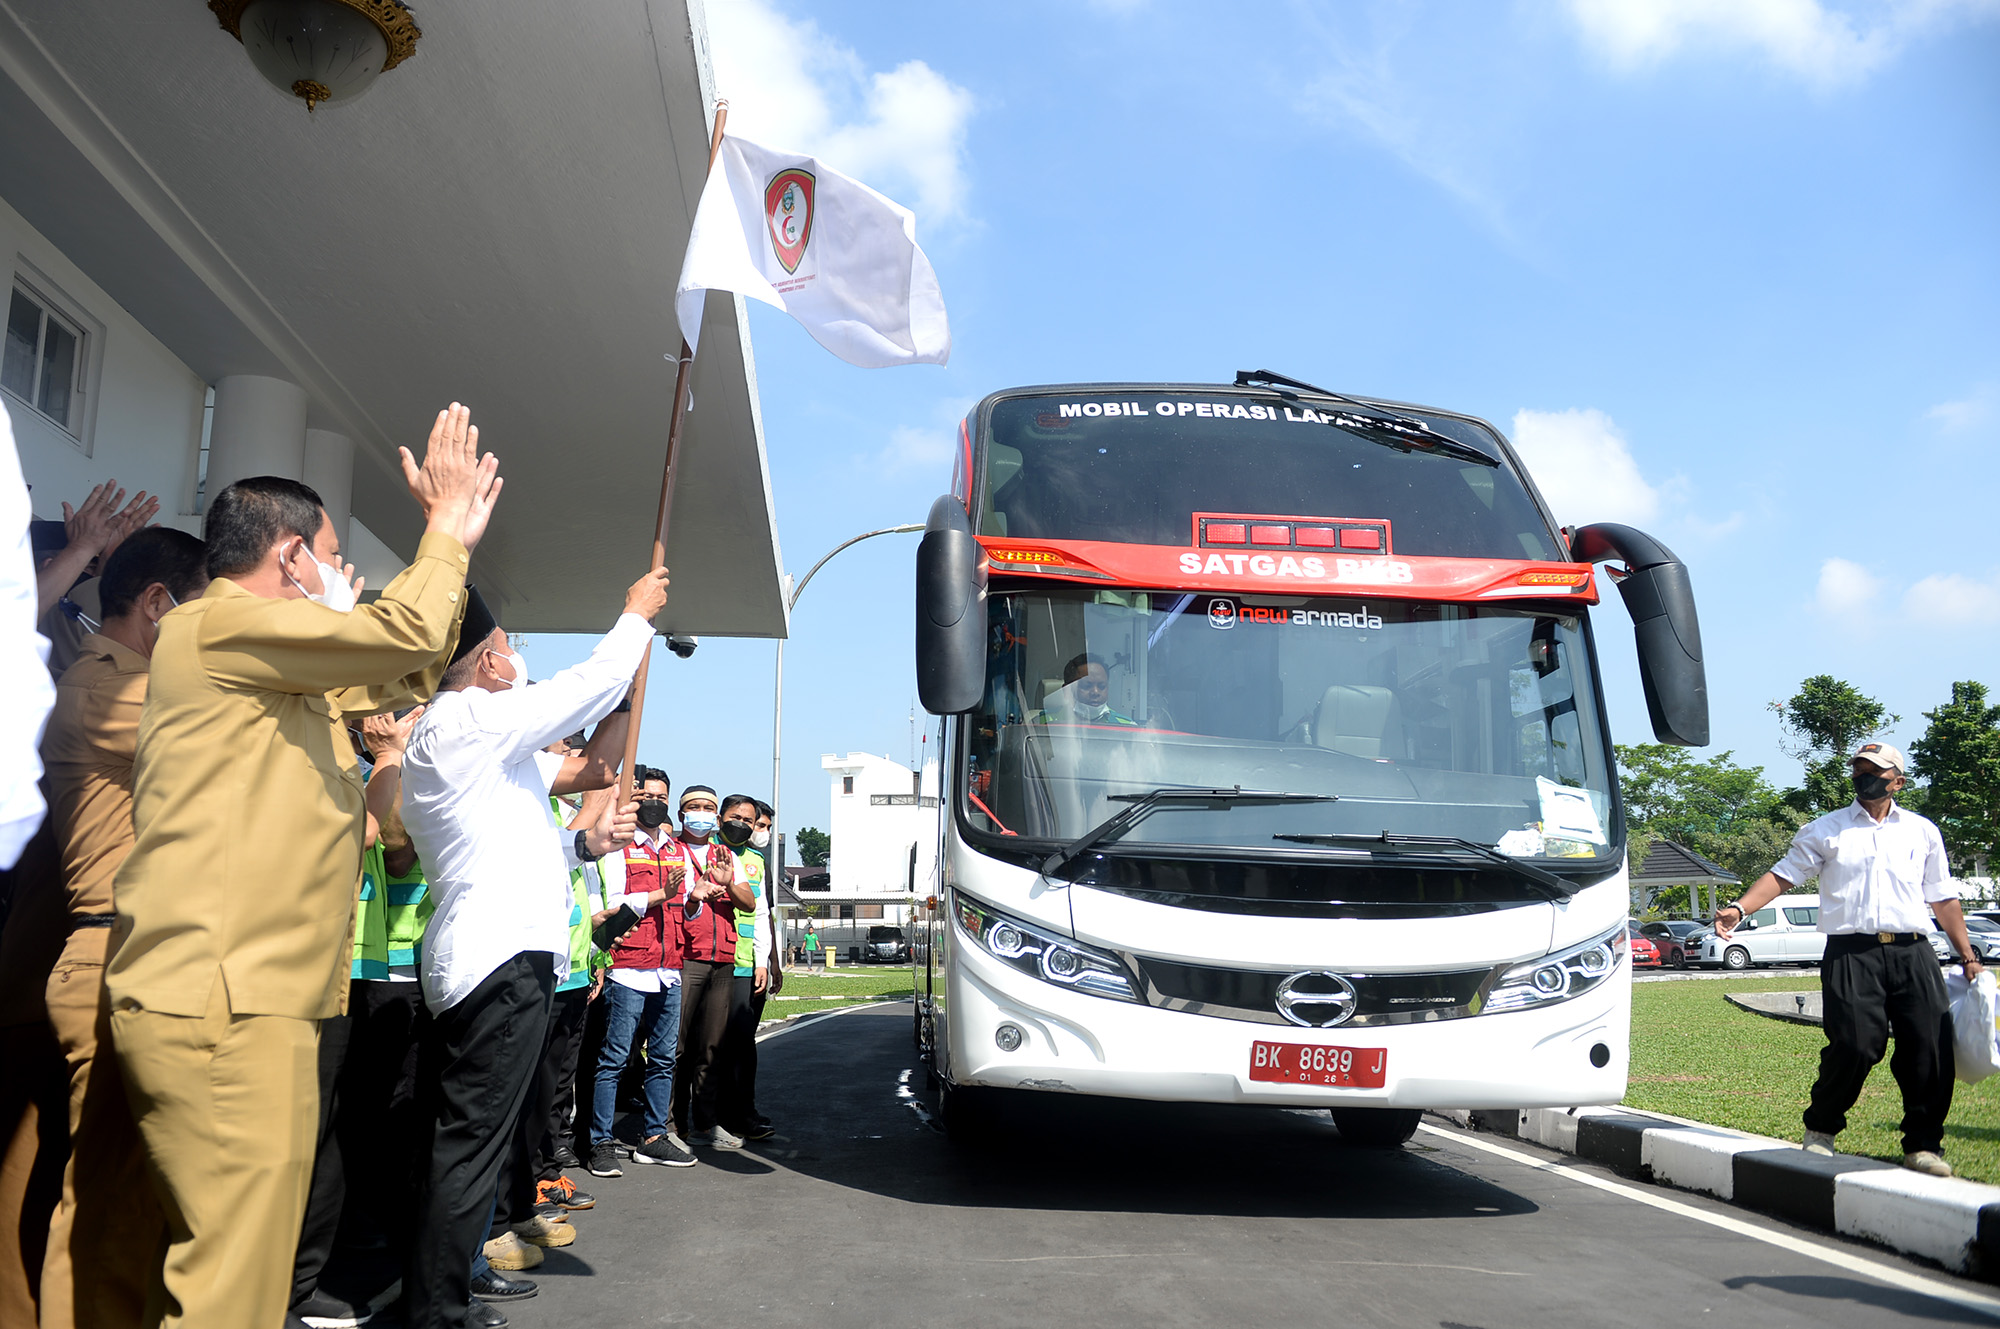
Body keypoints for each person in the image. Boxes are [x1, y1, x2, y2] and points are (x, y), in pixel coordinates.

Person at [107, 403, 499, 1329]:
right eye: (327, 555)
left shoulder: (269, 661)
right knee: (231, 1286)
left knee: (233, 1269)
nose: (337, 575)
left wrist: (450, 554)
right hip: (225, 998)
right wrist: (442, 531)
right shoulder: (218, 625)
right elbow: (397, 641)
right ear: (289, 557)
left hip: (255, 997)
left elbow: (404, 670)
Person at [399, 568, 663, 1329]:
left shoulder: (487, 743)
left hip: (497, 956)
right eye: (509, 644)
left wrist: (586, 841)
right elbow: (585, 686)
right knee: (471, 1139)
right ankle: (437, 1308)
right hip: (499, 959)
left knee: (473, 1135)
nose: (518, 656)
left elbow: (592, 770)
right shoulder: (468, 721)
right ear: (488, 663)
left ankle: (448, 1283)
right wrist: (634, 617)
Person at [36, 526, 207, 1329]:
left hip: (139, 954)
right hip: (111, 953)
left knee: (138, 1207)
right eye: (205, 614)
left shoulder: (135, 681)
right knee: (108, 1208)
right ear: (157, 604)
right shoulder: (107, 685)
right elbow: (227, 744)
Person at [1715, 741, 1983, 1177]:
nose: (1864, 778)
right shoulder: (1826, 829)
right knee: (1856, 1044)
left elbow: (1942, 896)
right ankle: (1821, 1128)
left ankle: (1923, 1145)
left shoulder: (1921, 831)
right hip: (1851, 952)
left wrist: (1967, 955)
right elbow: (1784, 874)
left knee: (1929, 1047)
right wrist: (1740, 908)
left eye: (1874, 772)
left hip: (1914, 951)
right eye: (1858, 771)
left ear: (1898, 781)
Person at [586, 764, 697, 1176]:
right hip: (629, 966)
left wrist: (697, 896)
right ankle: (599, 1141)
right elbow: (615, 904)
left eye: (661, 797)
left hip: (669, 968)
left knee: (664, 1058)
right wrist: (659, 894)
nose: (654, 803)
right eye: (646, 796)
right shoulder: (618, 844)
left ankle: (653, 1137)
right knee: (614, 1059)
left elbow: (686, 906)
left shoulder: (676, 848)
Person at [667, 786, 755, 1150]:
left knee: (711, 1047)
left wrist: (728, 883)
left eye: (708, 808)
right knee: (675, 1047)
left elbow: (749, 902)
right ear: (681, 813)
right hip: (685, 957)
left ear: (716, 818)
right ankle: (670, 1125)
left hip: (722, 959)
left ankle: (705, 1124)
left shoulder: (724, 854)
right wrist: (694, 896)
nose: (701, 813)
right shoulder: (671, 851)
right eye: (694, 807)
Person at [717, 795, 778, 1141]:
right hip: (710, 960)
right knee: (706, 1044)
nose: (744, 826)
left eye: (750, 821)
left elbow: (762, 913)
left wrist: (764, 961)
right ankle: (701, 1117)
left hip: (744, 964)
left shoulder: (756, 860)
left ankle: (742, 1113)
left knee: (742, 1043)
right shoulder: (709, 850)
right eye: (736, 818)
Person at [1033, 653, 1137, 726]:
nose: (1095, 692)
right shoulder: (1042, 722)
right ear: (1067, 690)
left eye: (1102, 686)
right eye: (1086, 686)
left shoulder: (1127, 727)